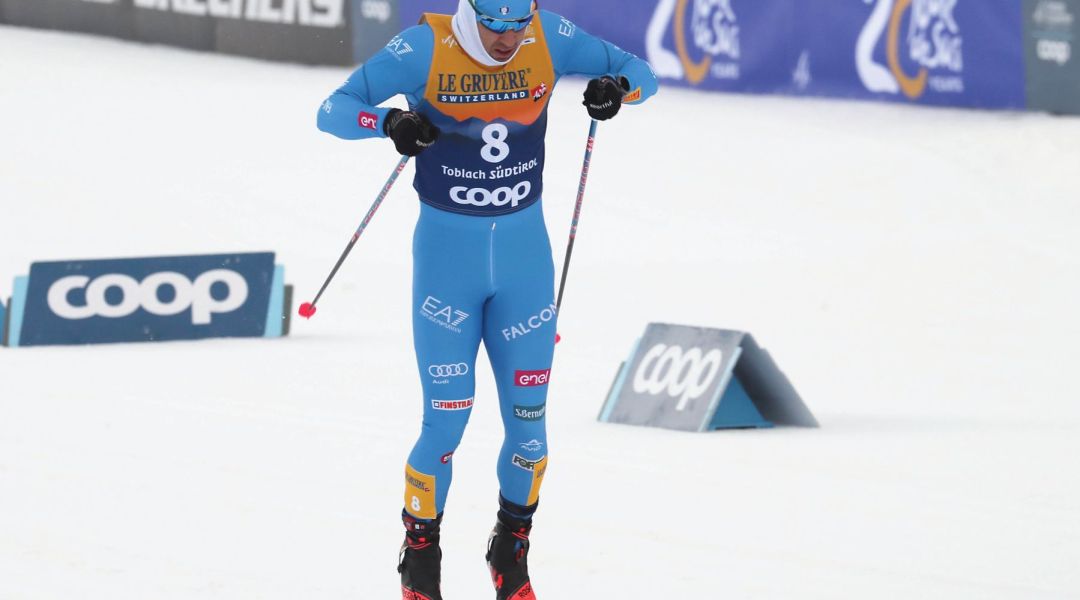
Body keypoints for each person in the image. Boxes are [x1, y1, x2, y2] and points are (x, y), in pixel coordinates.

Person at [316, 1, 656, 598]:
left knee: (531, 431)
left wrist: (616, 88)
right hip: (449, 264)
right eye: (494, 26)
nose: (507, 39)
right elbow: (332, 110)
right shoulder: (426, 46)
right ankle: (420, 557)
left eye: (517, 26)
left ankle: (512, 550)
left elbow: (639, 72)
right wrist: (387, 124)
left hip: (525, 262)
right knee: (446, 422)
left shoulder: (546, 36)